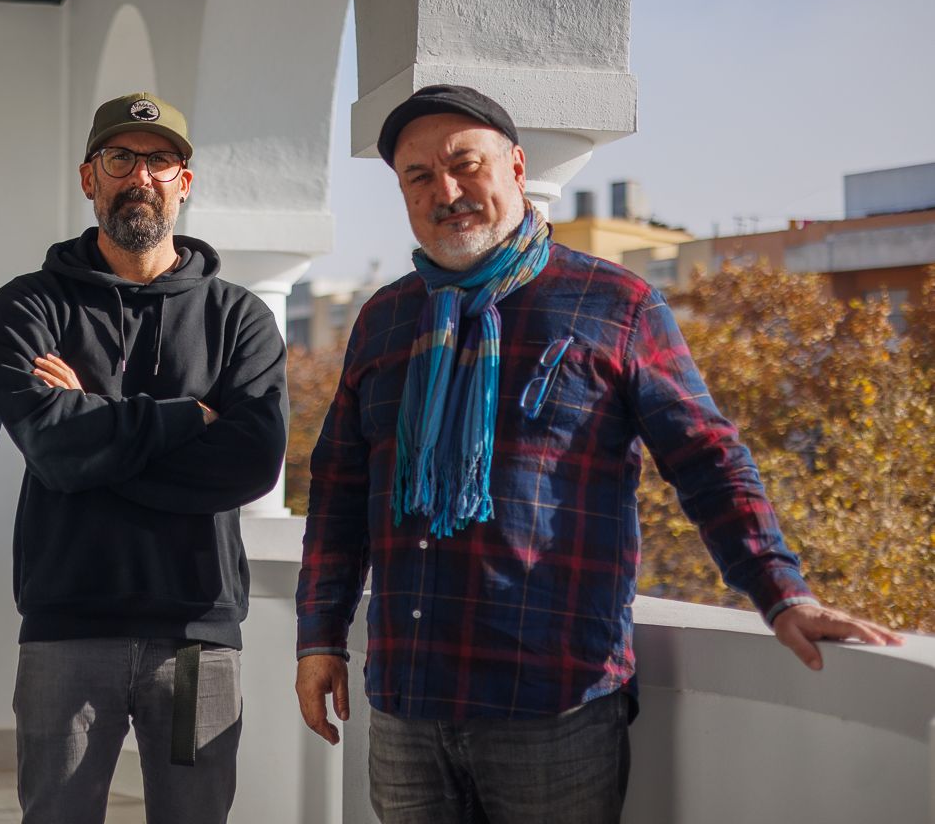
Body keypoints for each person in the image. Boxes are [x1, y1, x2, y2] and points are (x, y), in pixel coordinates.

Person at [293, 85, 903, 824]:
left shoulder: (616, 303)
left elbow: (707, 458)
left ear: (516, 166)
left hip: (554, 703)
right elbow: (337, 490)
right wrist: (319, 638)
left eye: (465, 164)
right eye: (417, 177)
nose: (445, 190)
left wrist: (782, 591)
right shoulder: (385, 319)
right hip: (405, 701)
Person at [0, 92, 288, 824]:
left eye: (160, 161)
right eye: (121, 158)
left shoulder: (239, 317)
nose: (140, 176)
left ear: (184, 181)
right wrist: (191, 418)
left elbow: (250, 463)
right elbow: (50, 448)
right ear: (89, 177)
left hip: (196, 637)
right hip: (67, 624)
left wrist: (96, 427)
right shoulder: (31, 304)